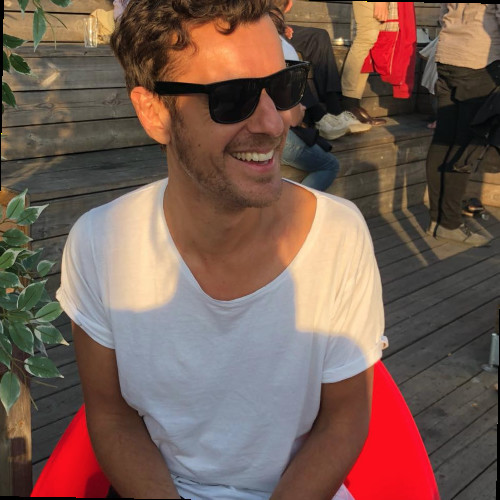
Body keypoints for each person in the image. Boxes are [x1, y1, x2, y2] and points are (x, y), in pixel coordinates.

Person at [57, 1, 386, 499]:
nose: (274, 123)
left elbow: (344, 418)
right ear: (153, 112)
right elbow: (110, 414)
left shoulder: (339, 235)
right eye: (232, 97)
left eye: (283, 86)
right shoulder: (100, 244)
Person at [425, 3, 499, 246]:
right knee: (464, 148)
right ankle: (449, 224)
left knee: (443, 141)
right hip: (479, 60)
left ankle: (437, 220)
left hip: (447, 56)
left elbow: (442, 13)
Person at [276, 0, 372, 139]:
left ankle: (335, 111)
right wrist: (274, 25)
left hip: (271, 22)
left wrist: (277, 23)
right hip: (259, 28)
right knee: (281, 48)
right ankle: (320, 118)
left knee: (319, 36)